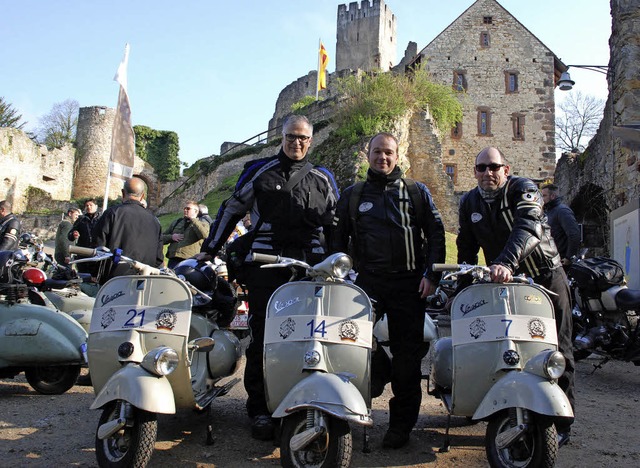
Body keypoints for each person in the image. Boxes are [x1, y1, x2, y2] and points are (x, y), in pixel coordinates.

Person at [199, 115, 339, 441]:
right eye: (291, 136)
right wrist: (210, 248)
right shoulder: (259, 170)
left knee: (312, 337)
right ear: (282, 137)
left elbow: (336, 225)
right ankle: (259, 408)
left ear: (311, 140)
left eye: (303, 138)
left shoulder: (323, 177)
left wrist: (339, 264)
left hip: (311, 271)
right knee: (262, 338)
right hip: (265, 267)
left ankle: (306, 400)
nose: (297, 143)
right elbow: (231, 208)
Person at [331, 132, 446, 449]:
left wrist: (432, 276)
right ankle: (377, 373)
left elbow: (436, 234)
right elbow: (336, 241)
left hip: (410, 285)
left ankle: (400, 428)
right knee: (348, 339)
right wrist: (337, 276)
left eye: (389, 153)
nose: (383, 157)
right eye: (377, 152)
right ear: (368, 155)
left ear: (398, 156)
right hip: (368, 284)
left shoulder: (415, 191)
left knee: (408, 363)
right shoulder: (353, 195)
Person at [456, 147, 575, 447]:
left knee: (557, 346)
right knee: (502, 344)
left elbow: (529, 227)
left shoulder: (523, 189)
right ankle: (499, 406)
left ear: (506, 170)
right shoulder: (469, 201)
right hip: (503, 283)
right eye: (481, 168)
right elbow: (466, 246)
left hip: (545, 275)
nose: (488, 173)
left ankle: (562, 422)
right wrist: (461, 286)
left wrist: (506, 263)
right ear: (474, 172)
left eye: (494, 167)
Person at [92, 177, 163, 282]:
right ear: (142, 196)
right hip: (143, 280)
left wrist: (94, 273)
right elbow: (159, 258)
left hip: (114, 280)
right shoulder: (155, 221)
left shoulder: (112, 214)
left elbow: (98, 247)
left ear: (123, 193)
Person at [541, 183, 581, 267]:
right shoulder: (547, 213)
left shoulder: (562, 211)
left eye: (544, 196)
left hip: (562, 261)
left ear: (552, 196)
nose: (541, 199)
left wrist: (569, 257)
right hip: (551, 260)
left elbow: (574, 234)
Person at [162, 200, 210, 269]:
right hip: (173, 260)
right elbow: (161, 238)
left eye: (188, 209)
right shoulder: (177, 222)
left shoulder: (203, 224)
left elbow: (204, 235)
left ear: (196, 211)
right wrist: (171, 237)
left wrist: (193, 220)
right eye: (184, 208)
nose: (185, 210)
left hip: (190, 260)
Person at [68, 199, 101, 276]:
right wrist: (73, 234)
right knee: (82, 276)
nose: (89, 207)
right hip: (83, 253)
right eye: (87, 205)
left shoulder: (101, 219)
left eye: (91, 205)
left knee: (95, 276)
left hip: (96, 253)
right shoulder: (81, 219)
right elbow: (70, 235)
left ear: (96, 206)